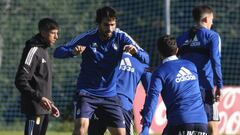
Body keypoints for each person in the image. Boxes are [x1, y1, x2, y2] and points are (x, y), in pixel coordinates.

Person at [53, 6, 149, 135]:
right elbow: (57, 52)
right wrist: (72, 52)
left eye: (112, 25)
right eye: (106, 25)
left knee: (122, 133)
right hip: (87, 92)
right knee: (81, 128)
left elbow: (146, 58)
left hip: (110, 94)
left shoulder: (121, 36)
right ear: (99, 24)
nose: (109, 29)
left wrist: (135, 51)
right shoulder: (88, 37)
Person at [140, 35, 208, 135]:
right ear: (177, 50)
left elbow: (152, 99)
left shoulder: (160, 72)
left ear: (159, 52)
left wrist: (146, 125)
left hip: (180, 122)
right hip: (202, 122)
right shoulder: (191, 65)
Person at [177, 5, 223, 135]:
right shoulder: (212, 36)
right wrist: (219, 85)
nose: (212, 23)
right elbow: (216, 61)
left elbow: (173, 61)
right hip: (204, 87)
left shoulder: (182, 38)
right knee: (212, 125)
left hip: (185, 88)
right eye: (212, 19)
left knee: (188, 127)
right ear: (206, 19)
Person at [88, 52, 152, 135]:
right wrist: (146, 112)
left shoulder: (107, 57)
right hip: (123, 105)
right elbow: (150, 91)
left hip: (101, 102)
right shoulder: (142, 64)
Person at [15, 18, 60, 135]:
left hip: (44, 110)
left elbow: (41, 83)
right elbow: (20, 80)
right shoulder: (33, 50)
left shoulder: (43, 50)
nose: (56, 37)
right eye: (53, 33)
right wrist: (39, 98)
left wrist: (50, 103)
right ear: (43, 32)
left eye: (57, 33)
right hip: (35, 110)